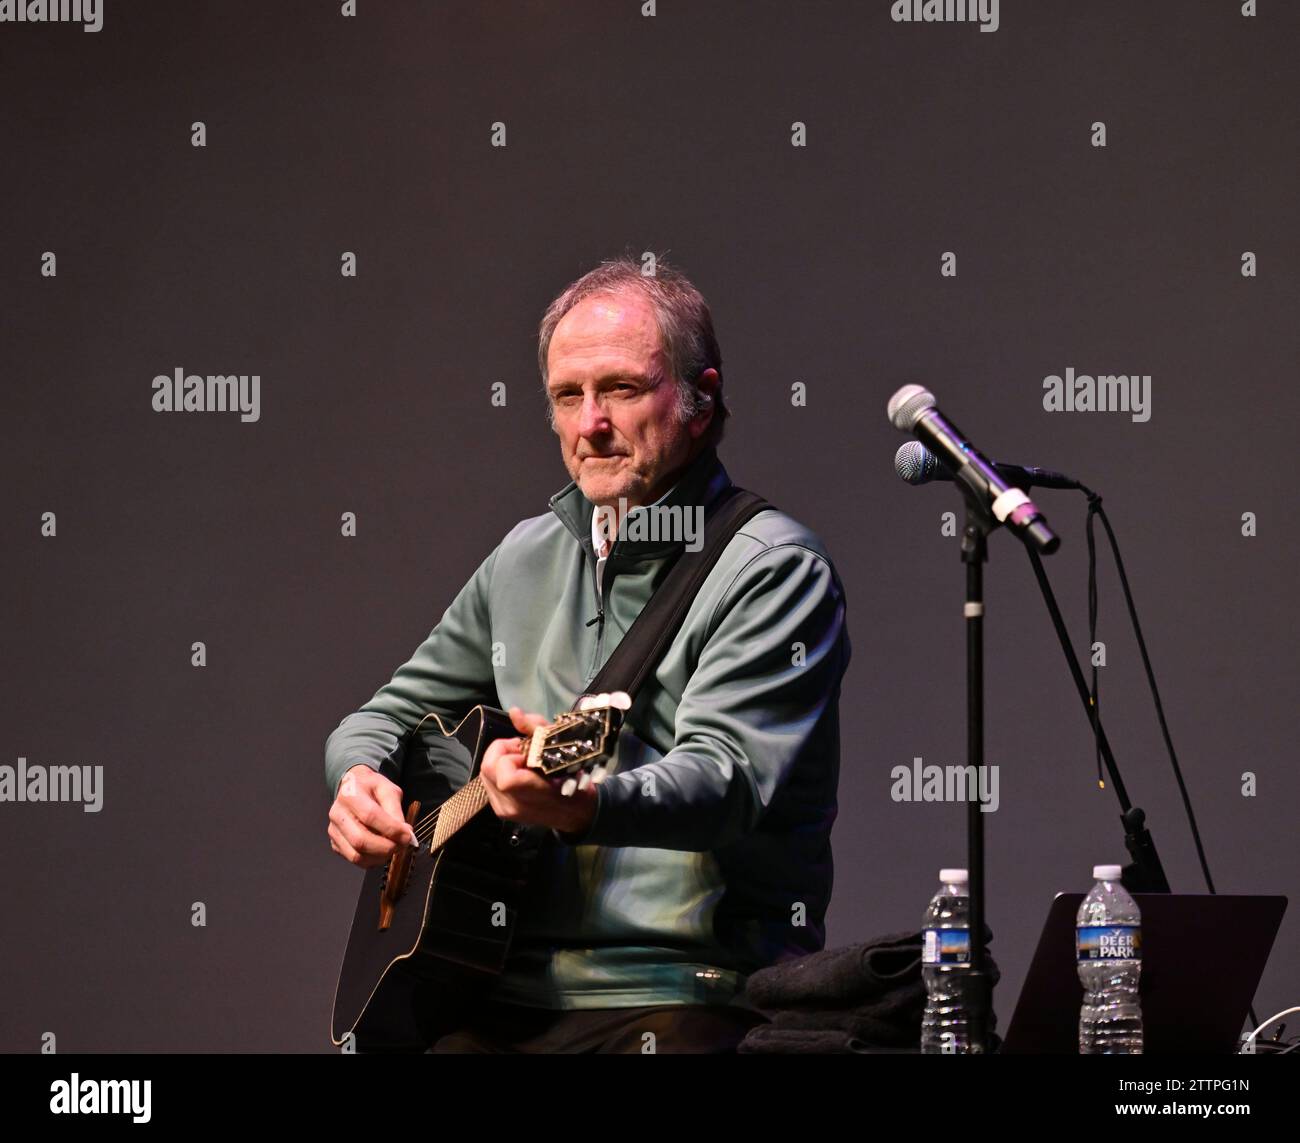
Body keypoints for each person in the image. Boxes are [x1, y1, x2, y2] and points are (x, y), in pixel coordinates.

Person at [324, 254, 851, 1052]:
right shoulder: (525, 558)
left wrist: (581, 804)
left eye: (622, 390)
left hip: (686, 992)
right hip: (498, 987)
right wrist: (358, 777)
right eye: (568, 396)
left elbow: (726, 778)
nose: (589, 423)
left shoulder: (774, 569)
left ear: (701, 399)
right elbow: (383, 716)